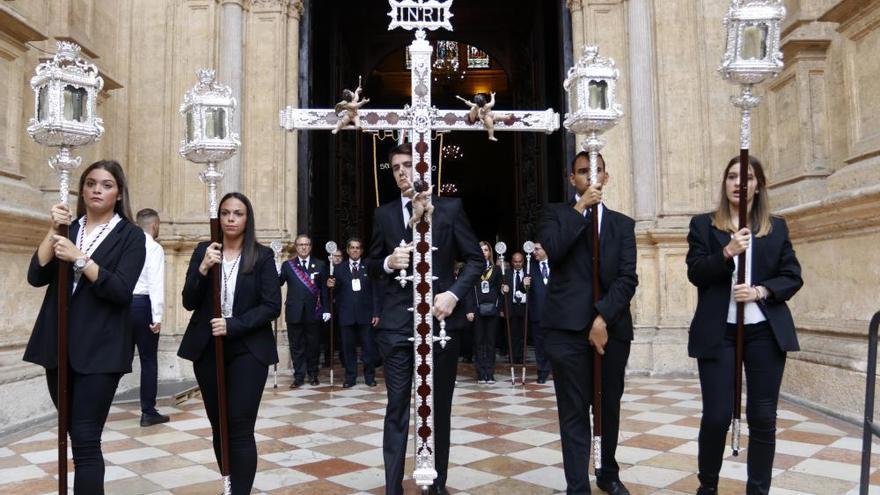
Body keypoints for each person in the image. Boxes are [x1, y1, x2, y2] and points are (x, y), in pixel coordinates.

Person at [25, 160, 146, 493]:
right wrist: (53, 233)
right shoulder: (69, 228)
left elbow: (120, 291)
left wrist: (81, 258)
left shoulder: (131, 236)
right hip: (58, 345)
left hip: (101, 349)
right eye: (91, 183)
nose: (96, 190)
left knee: (86, 440)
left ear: (119, 193)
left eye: (106, 185)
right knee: (74, 434)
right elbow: (36, 276)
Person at [368, 142, 482, 495]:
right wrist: (389, 262)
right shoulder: (384, 215)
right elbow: (372, 265)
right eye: (396, 167)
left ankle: (436, 484)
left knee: (438, 408)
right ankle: (392, 487)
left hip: (440, 325)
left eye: (408, 165)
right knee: (397, 406)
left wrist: (453, 293)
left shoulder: (449, 209)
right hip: (396, 327)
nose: (402, 171)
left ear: (423, 168)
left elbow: (476, 259)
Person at [687, 156, 802, 495]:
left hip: (764, 332)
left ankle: (758, 490)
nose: (740, 182)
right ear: (724, 184)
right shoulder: (703, 225)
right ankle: (707, 487)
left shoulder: (776, 227)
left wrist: (760, 291)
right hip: (719, 332)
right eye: (733, 176)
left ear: (758, 185)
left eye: (748, 177)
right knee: (718, 416)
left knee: (764, 417)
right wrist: (727, 252)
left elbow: (792, 277)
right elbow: (696, 273)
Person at [539, 151, 638, 495]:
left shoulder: (623, 225)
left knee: (608, 406)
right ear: (573, 179)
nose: (589, 176)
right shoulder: (555, 215)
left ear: (606, 177)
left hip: (610, 330)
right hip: (565, 331)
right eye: (582, 172)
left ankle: (608, 473)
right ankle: (577, 485)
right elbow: (553, 249)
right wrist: (579, 209)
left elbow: (628, 278)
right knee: (574, 410)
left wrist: (602, 317)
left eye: (596, 171)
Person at [178, 192, 281, 495]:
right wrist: (203, 268)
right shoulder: (204, 250)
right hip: (208, 349)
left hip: (249, 349)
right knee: (219, 425)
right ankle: (229, 484)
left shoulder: (261, 256)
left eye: (238, 213)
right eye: (225, 213)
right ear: (219, 217)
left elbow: (272, 306)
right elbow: (188, 300)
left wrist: (234, 325)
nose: (231, 219)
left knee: (239, 426)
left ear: (247, 219)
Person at [132, 208, 169, 427]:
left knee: (120, 357)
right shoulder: (153, 247)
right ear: (154, 225)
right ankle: (148, 411)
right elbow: (156, 283)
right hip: (143, 305)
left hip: (122, 304)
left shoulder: (127, 245)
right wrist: (157, 315)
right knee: (148, 360)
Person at [328, 238, 380, 387]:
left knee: (368, 348)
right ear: (348, 250)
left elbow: (375, 292)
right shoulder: (339, 269)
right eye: (352, 247)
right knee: (348, 348)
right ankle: (350, 378)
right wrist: (330, 285)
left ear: (362, 251)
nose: (355, 250)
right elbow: (335, 293)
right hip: (346, 314)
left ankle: (369, 377)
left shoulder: (368, 267)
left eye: (358, 248)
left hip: (366, 315)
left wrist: (377, 313)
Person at [280, 234, 330, 387]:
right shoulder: (288, 265)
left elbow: (324, 289)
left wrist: (326, 309)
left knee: (313, 345)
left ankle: (313, 374)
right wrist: (275, 268)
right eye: (300, 244)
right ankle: (299, 376)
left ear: (310, 246)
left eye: (306, 244)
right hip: (294, 312)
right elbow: (278, 282)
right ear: (296, 247)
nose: (303, 247)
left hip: (313, 311)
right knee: (297, 346)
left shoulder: (320, 264)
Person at [472, 241, 502, 384]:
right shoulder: (472, 269)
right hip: (477, 311)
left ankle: (489, 373)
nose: (483, 252)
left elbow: (501, 290)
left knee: (490, 342)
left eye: (485, 250)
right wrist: (469, 310)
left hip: (492, 311)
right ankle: (480, 373)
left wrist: (500, 307)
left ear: (489, 252)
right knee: (479, 342)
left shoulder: (496, 270)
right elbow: (467, 291)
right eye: (480, 250)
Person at [526, 242, 552, 383]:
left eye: (537, 249)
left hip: (555, 315)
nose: (534, 252)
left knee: (554, 344)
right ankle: (542, 372)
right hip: (537, 314)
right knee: (540, 345)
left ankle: (556, 370)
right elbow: (523, 289)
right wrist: (525, 283)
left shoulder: (556, 265)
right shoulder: (531, 267)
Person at [501, 251, 527, 364]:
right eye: (515, 261)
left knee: (523, 333)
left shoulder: (528, 273)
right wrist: (502, 308)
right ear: (512, 262)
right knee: (511, 333)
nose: (517, 264)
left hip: (525, 306)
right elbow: (501, 292)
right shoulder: (506, 274)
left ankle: (521, 357)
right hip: (511, 306)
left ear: (523, 262)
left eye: (520, 261)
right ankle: (512, 356)